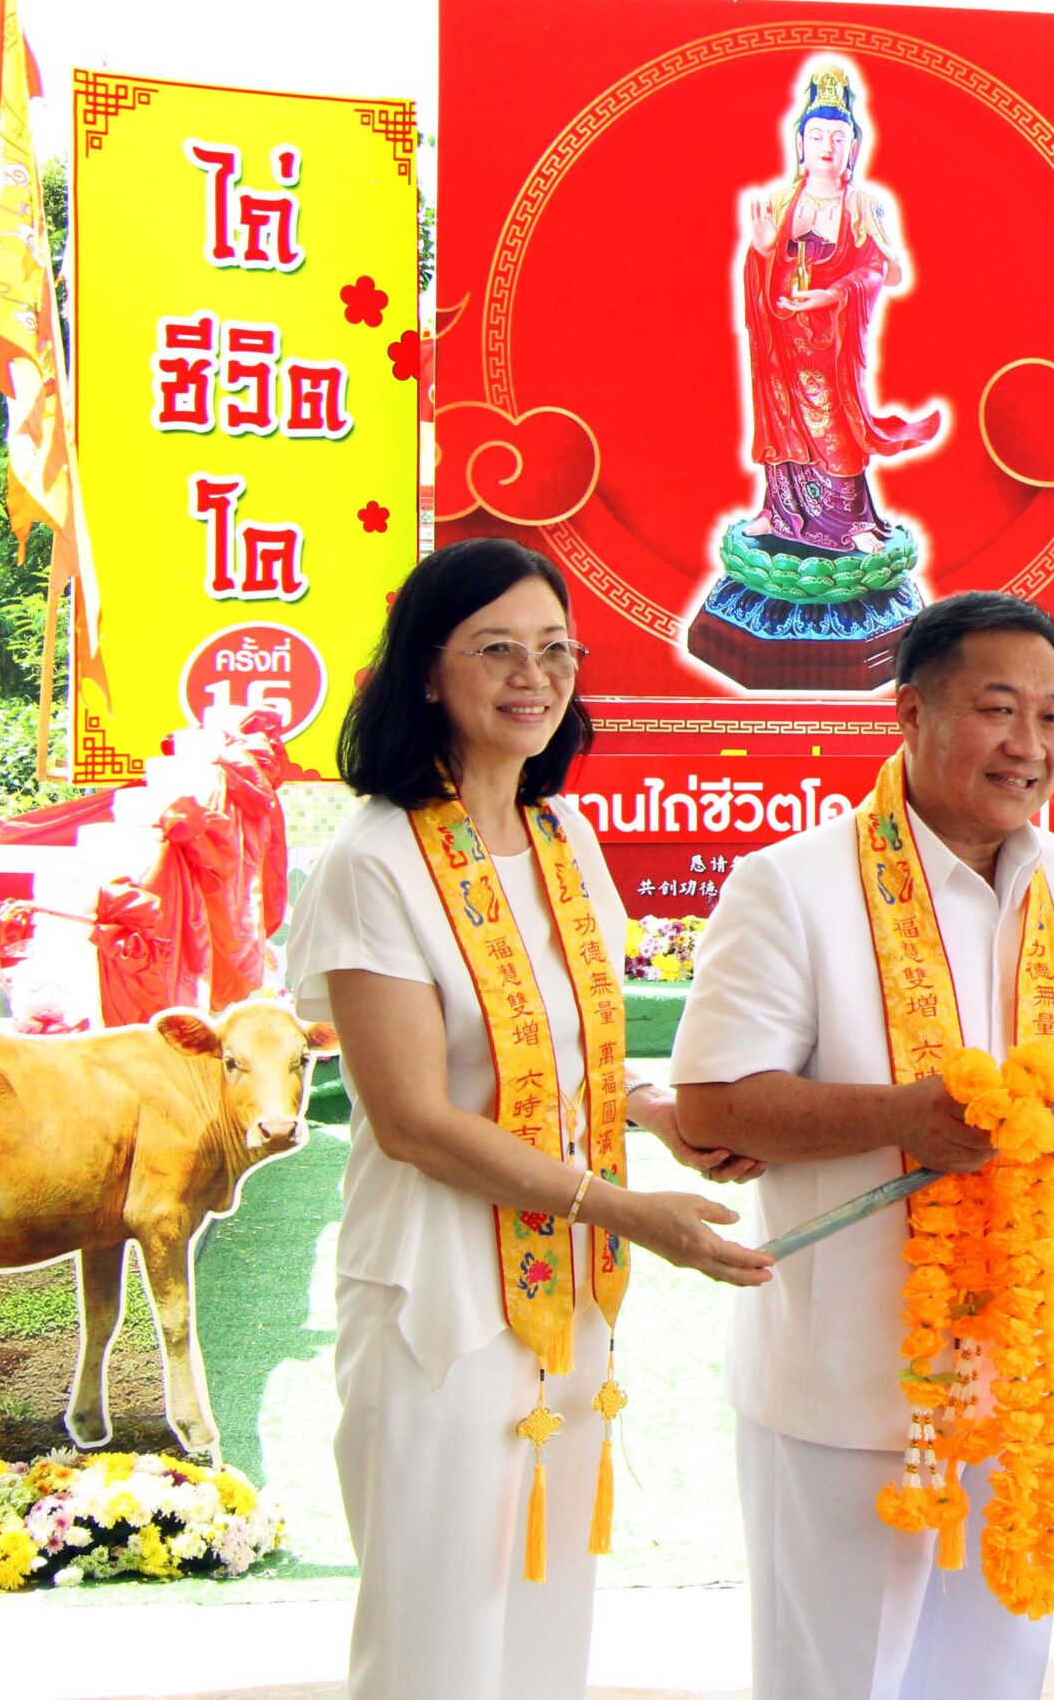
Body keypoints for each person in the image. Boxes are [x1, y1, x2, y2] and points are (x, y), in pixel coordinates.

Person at [286, 538, 774, 1700]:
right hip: (438, 1297)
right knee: (438, 1631)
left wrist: (650, 1109)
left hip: (564, 1295)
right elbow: (409, 1117)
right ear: (424, 673)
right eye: (497, 648)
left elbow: (560, 1053)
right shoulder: (374, 857)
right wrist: (626, 1210)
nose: (533, 675)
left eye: (556, 649)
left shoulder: (563, 843)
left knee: (546, 1617)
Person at [672, 591, 1054, 1700]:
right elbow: (711, 1105)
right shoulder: (790, 883)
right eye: (999, 710)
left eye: (1053, 716)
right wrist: (906, 1118)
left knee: (992, 1677)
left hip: (1024, 1383)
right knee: (836, 1679)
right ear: (910, 713)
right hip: (846, 1381)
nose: (1028, 746)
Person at [738, 59, 940, 554]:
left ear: (852, 146)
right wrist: (764, 250)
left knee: (835, 425)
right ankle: (779, 511)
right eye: (817, 136)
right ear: (801, 144)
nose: (827, 146)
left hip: (832, 341)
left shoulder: (862, 205)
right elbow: (763, 268)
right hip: (782, 336)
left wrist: (838, 292)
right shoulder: (783, 203)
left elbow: (885, 271)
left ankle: (851, 521)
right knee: (782, 420)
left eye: (837, 137)